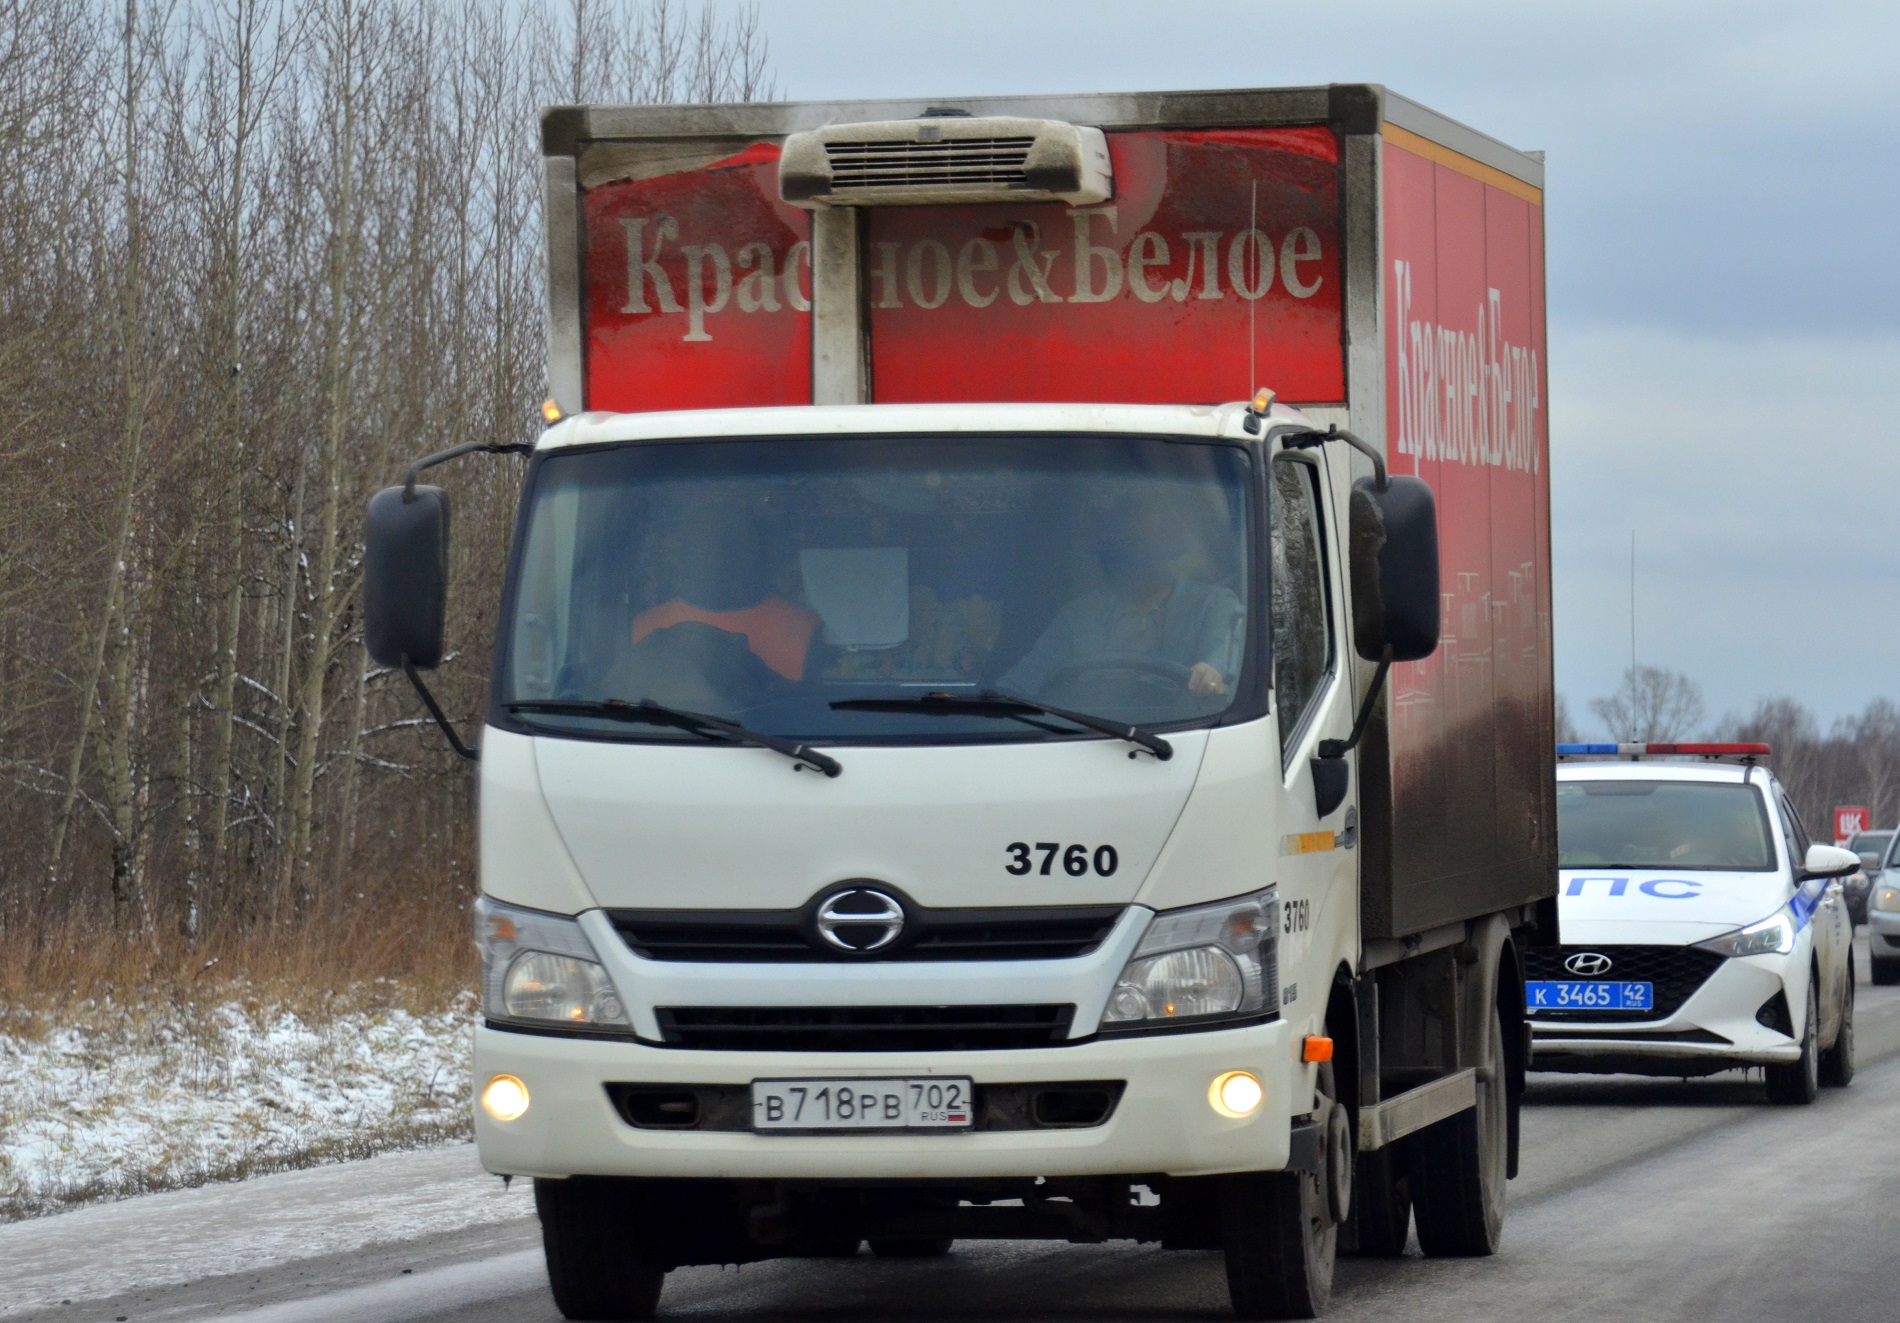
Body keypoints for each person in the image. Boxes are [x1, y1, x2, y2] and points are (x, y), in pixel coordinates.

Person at [998, 495, 1242, 702]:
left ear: (1171, 548)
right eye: (1130, 545)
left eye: (1150, 544)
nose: (1141, 556)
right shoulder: (1077, 616)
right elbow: (1020, 684)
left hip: (1181, 739)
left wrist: (1209, 675)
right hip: (1080, 737)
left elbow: (1220, 667)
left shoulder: (1214, 605)